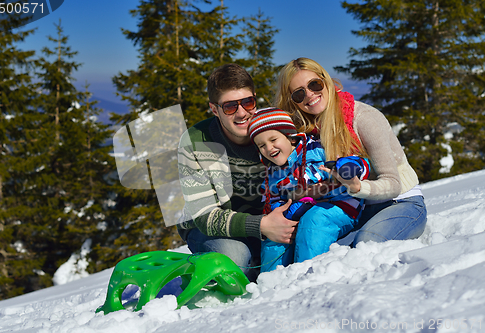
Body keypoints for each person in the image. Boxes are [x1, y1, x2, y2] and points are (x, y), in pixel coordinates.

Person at [274, 57, 427, 247]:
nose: (309, 95)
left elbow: (393, 184)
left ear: (326, 81)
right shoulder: (309, 130)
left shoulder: (363, 118)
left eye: (315, 84)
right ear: (292, 101)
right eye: (299, 94)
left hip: (400, 202)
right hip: (355, 207)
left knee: (366, 244)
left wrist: (357, 187)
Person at [176, 63, 296, 282]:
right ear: (215, 109)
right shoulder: (195, 141)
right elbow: (204, 216)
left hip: (267, 221)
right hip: (211, 228)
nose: (242, 113)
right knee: (236, 259)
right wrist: (262, 225)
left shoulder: (270, 131)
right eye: (230, 107)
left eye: (248, 102)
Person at [248, 107, 370, 272]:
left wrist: (349, 168)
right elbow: (272, 200)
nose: (269, 148)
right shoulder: (272, 173)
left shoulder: (317, 149)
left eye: (273, 140)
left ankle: (307, 275)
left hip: (340, 206)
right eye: (261, 145)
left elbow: (360, 163)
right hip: (300, 211)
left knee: (315, 220)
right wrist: (285, 213)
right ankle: (269, 284)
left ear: (290, 137)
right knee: (276, 235)